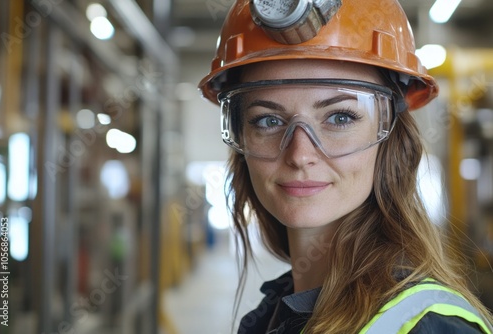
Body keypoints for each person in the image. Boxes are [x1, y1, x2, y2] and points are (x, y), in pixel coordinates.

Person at [198, 0, 493, 333]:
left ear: (391, 139)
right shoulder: (281, 311)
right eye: (268, 120)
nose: (299, 154)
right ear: (240, 142)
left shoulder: (431, 326)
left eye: (340, 117)